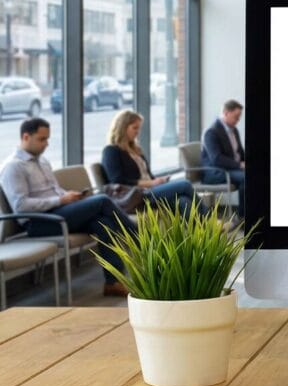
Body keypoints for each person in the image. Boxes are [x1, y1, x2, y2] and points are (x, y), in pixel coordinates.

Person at [0, 118, 137, 297]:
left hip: (59, 213)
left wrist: (69, 195)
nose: (46, 144)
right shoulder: (13, 167)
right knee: (102, 201)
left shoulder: (43, 162)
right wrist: (61, 200)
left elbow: (55, 191)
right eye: (42, 139)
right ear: (26, 137)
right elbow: (21, 206)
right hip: (39, 222)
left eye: (47, 139)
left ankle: (113, 282)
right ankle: (140, 239)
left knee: (103, 223)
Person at [101, 110, 206, 217]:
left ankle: (200, 226)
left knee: (183, 201)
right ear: (123, 128)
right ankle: (209, 217)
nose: (138, 132)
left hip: (150, 191)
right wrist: (151, 183)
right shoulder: (111, 151)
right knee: (185, 185)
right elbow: (117, 180)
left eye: (139, 128)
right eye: (135, 128)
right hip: (136, 195)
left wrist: (159, 181)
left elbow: (148, 175)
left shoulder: (135, 149)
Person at [202, 99, 245, 219]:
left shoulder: (234, 130)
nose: (238, 120)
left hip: (231, 169)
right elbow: (216, 159)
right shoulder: (211, 132)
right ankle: (243, 217)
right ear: (226, 113)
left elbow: (240, 152)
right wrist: (239, 165)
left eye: (239, 117)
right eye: (236, 117)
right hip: (216, 172)